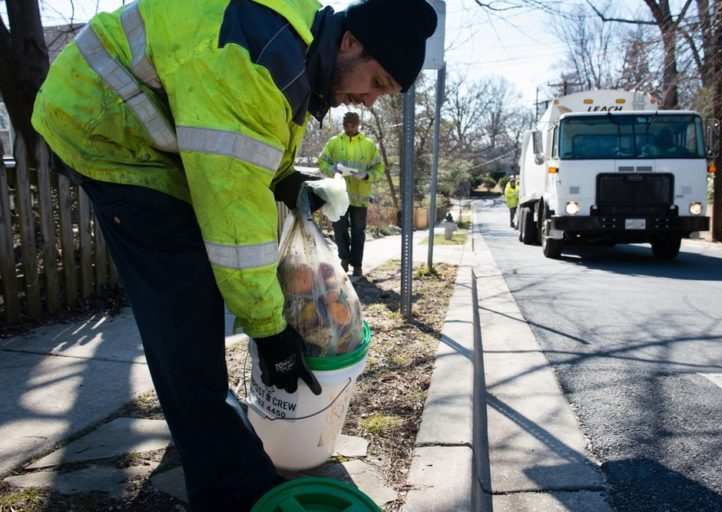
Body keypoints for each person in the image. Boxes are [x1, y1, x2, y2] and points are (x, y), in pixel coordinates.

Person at [31, 0, 437, 509]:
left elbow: (248, 148)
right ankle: (235, 489)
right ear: (350, 42)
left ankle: (207, 434)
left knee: (195, 297)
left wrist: (286, 180)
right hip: (104, 125)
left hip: (139, 120)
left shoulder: (296, 45)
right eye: (376, 82)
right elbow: (234, 231)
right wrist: (271, 334)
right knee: (183, 302)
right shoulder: (259, 64)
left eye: (384, 94)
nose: (370, 101)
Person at [317, 111, 383, 277]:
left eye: (352, 125)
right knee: (339, 228)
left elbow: (379, 168)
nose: (349, 128)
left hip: (359, 197)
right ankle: (344, 259)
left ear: (358, 125)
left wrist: (366, 175)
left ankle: (357, 265)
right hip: (339, 196)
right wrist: (332, 169)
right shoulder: (334, 142)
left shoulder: (369, 145)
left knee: (358, 232)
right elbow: (322, 161)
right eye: (346, 125)